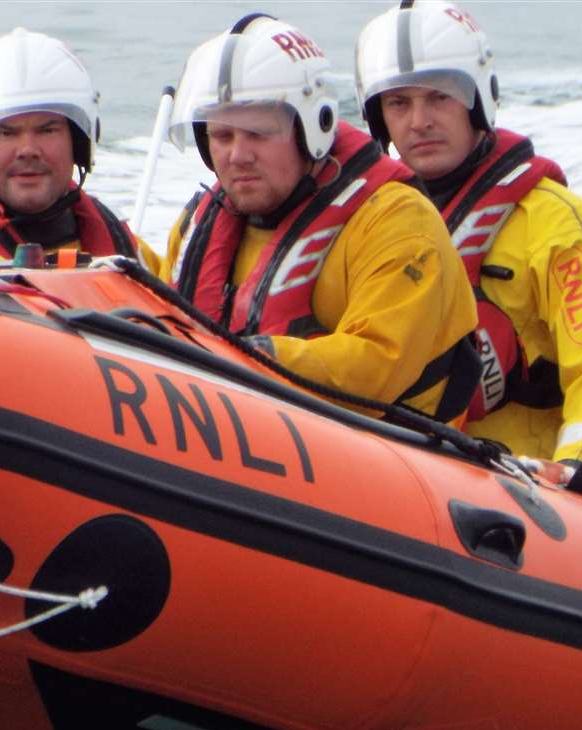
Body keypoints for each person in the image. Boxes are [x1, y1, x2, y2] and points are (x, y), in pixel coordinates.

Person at [356, 0, 582, 462]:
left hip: (529, 485)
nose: (418, 121)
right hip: (406, 469)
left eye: (440, 96)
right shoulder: (371, 225)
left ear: (478, 98)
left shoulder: (554, 224)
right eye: (399, 103)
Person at [161, 14, 479, 424]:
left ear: (311, 127)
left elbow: (376, 365)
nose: (238, 155)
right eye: (222, 137)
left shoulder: (398, 222)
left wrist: (237, 355)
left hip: (381, 459)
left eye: (257, 132)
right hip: (234, 431)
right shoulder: (195, 227)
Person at [0, 28, 159, 269]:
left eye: (47, 130)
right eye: (7, 133)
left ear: (79, 143)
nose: (27, 149)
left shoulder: (126, 248)